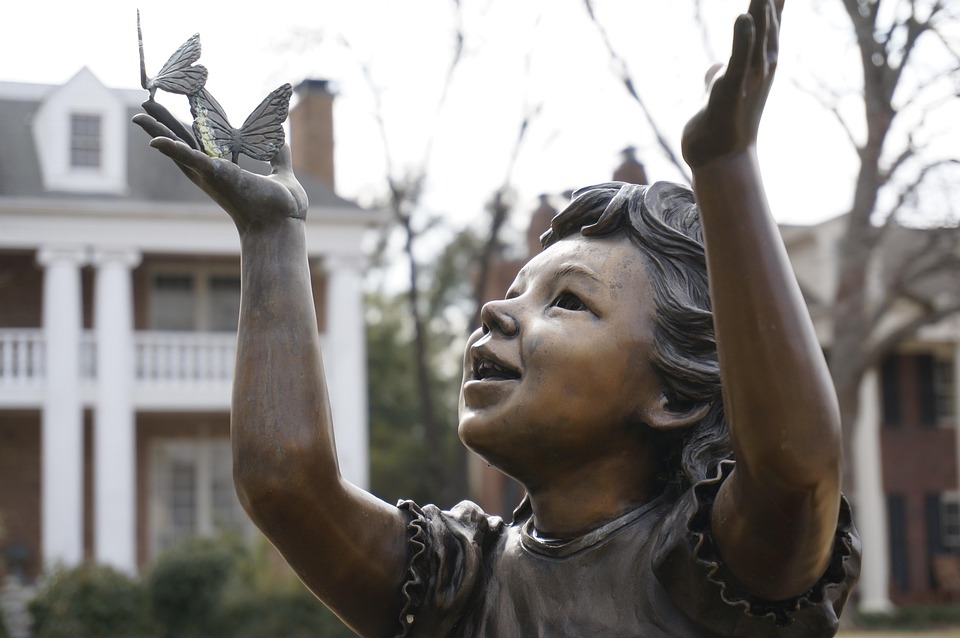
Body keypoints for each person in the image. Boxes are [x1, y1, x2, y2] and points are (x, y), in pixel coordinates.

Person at [133, 0, 860, 635]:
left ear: (670, 393)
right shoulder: (458, 582)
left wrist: (726, 165)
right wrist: (272, 239)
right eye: (514, 289)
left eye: (568, 302)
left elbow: (795, 468)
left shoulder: (712, 565)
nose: (496, 311)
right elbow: (285, 483)